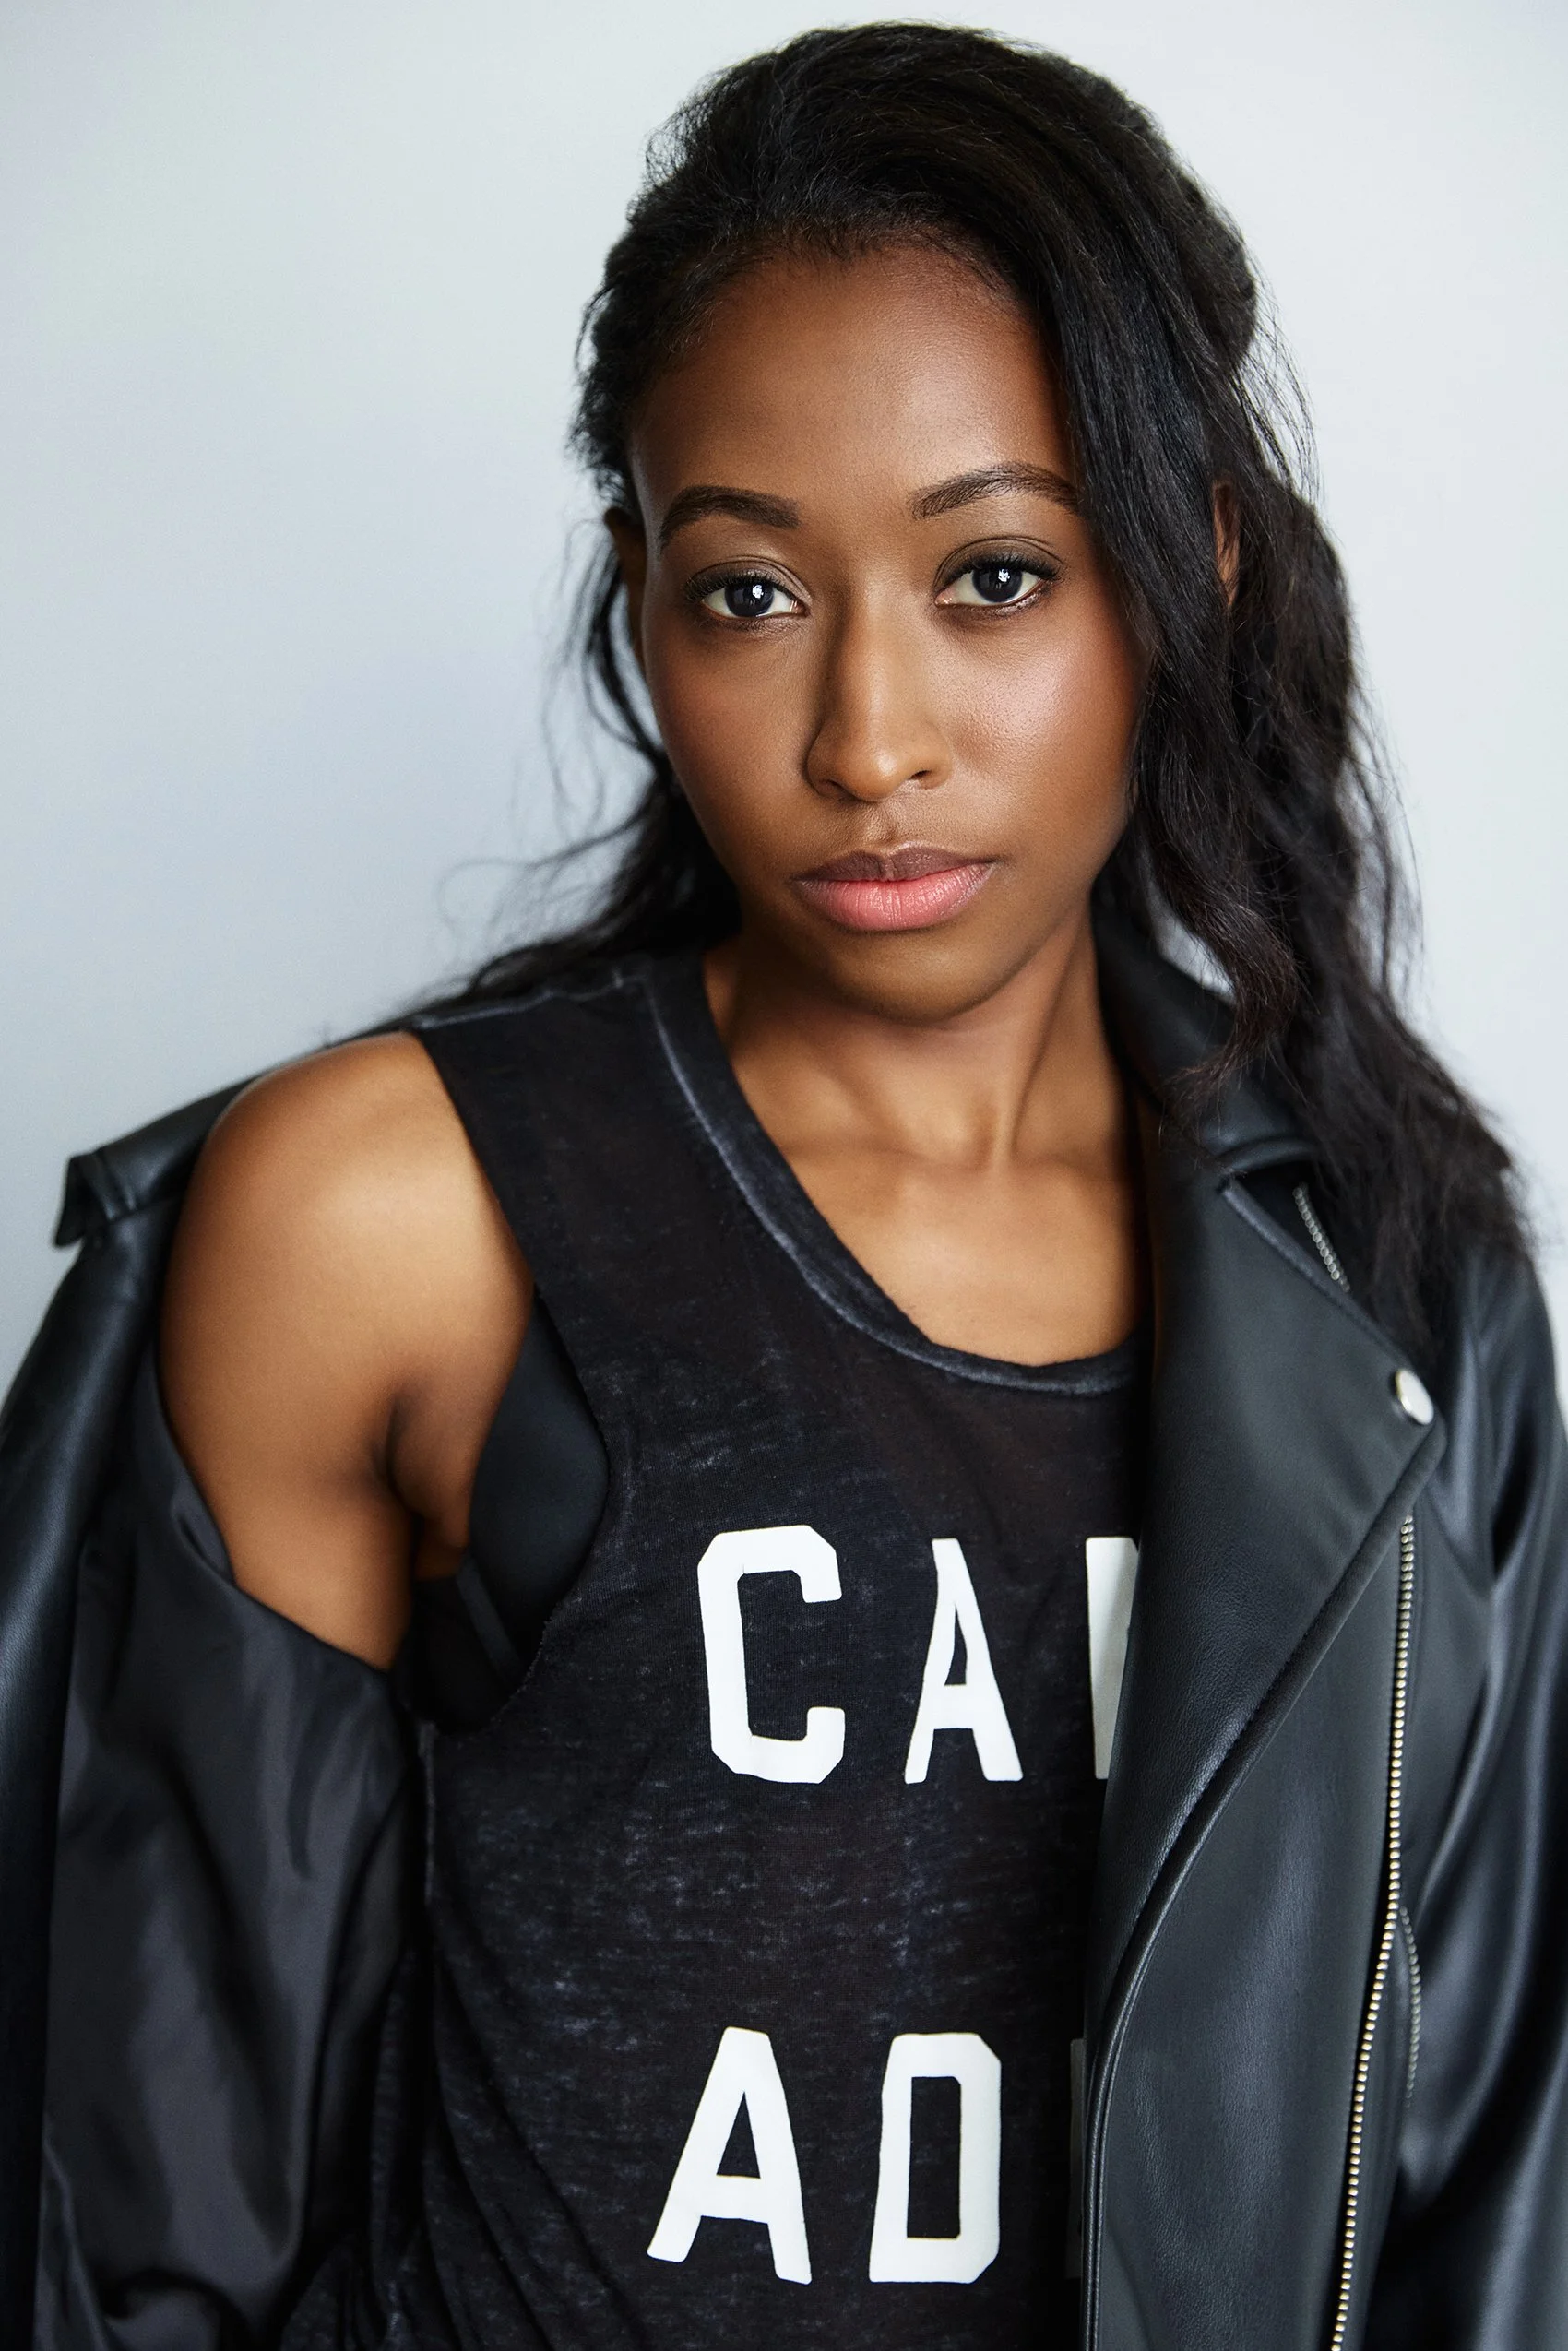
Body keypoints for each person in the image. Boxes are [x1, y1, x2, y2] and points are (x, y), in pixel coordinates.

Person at [19, 22, 1568, 2351]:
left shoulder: (1396, 1297)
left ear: (1192, 572)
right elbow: (135, 2209)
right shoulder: (392, 1212)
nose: (866, 737)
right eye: (748, 593)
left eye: (995, 575)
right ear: (637, 592)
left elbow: (1482, 2201)